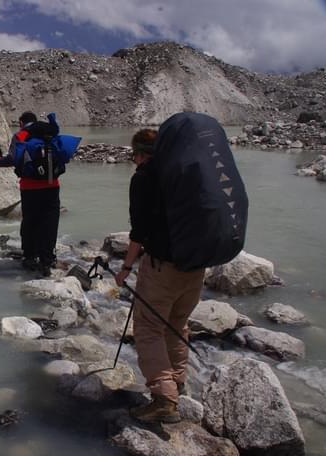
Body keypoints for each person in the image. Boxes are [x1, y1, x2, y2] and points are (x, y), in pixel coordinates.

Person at [114, 129, 206, 424]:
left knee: (150, 328)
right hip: (195, 264)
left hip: (162, 267)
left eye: (134, 155)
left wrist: (126, 267)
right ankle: (177, 383)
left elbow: (139, 232)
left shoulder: (145, 177)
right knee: (177, 325)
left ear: (140, 153)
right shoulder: (185, 171)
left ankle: (164, 399)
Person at [0, 111, 61, 277]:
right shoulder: (48, 132)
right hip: (52, 185)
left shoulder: (21, 135)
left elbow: (13, 159)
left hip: (29, 188)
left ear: (22, 123)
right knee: (50, 222)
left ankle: (30, 257)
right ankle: (47, 259)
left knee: (30, 221)